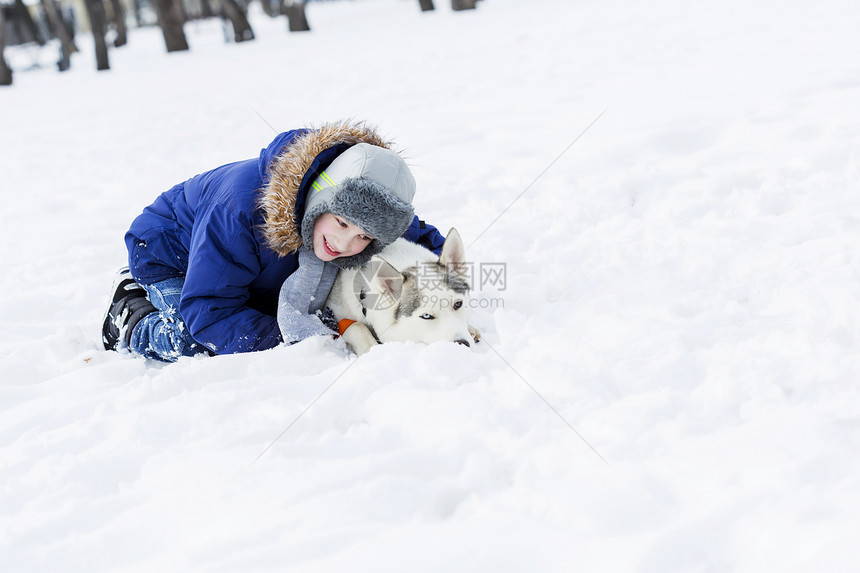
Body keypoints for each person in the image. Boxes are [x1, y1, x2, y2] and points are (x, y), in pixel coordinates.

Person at [102, 121, 446, 362]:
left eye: (363, 236)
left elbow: (417, 236)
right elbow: (209, 313)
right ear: (321, 196)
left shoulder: (363, 204)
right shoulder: (238, 214)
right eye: (341, 222)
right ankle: (131, 318)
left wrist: (448, 276)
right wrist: (297, 335)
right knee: (199, 341)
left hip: (244, 269)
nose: (343, 243)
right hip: (171, 254)